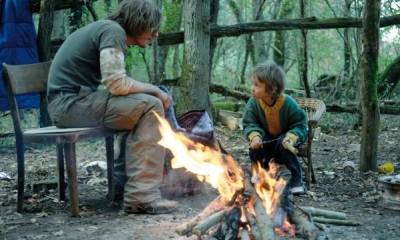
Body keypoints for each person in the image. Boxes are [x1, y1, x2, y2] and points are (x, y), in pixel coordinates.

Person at [47, 0, 178, 214]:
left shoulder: (108, 30)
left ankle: (122, 188)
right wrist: (155, 90)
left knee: (141, 108)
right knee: (151, 106)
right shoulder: (113, 31)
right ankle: (141, 197)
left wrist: (151, 90)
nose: (154, 35)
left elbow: (117, 84)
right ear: (138, 22)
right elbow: (116, 83)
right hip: (69, 106)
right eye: (152, 29)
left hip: (70, 103)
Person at [242, 61, 307, 194]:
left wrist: (291, 137)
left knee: (284, 144)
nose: (252, 88)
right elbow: (249, 123)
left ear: (272, 89)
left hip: (285, 140)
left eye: (257, 85)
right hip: (267, 140)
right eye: (253, 84)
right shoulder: (253, 103)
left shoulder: (288, 103)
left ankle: (296, 180)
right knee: (255, 147)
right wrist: (255, 136)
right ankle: (259, 174)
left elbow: (300, 124)